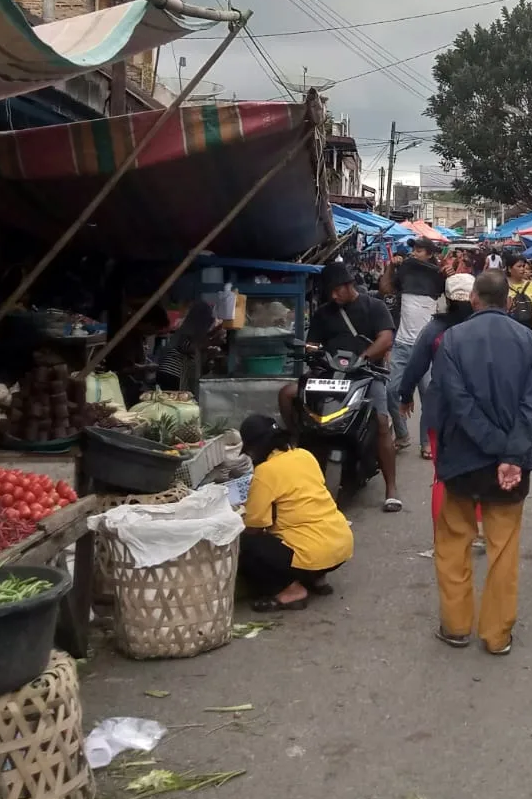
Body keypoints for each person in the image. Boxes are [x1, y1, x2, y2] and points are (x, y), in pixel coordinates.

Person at [427, 271, 532, 654]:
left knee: (454, 542)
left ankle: (457, 626)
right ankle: (496, 636)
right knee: (503, 550)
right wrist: (509, 454)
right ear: (508, 302)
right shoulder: (529, 341)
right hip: (511, 466)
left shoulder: (452, 340)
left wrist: (489, 445)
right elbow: (531, 409)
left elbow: (456, 404)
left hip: (462, 460)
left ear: (474, 299)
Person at [284, 261, 403, 512]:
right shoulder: (323, 313)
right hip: (329, 373)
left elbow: (385, 337)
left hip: (367, 374)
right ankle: (296, 444)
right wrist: (311, 352)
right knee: (288, 395)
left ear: (349, 285)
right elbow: (312, 343)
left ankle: (391, 488)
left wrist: (366, 357)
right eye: (330, 291)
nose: (334, 295)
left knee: (381, 421)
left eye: (337, 289)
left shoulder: (375, 306)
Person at [237, 414, 354, 611]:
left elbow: (254, 525)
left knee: (246, 544)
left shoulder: (265, 472)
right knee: (299, 528)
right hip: (341, 545)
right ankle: (317, 578)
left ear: (256, 447)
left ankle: (290, 591)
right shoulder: (304, 455)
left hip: (311, 552)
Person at [396, 272, 477, 534]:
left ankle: (444, 532)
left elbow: (415, 365)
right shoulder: (482, 329)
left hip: (440, 411)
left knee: (443, 474)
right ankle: (474, 529)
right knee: (476, 470)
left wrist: (405, 396)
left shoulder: (435, 329)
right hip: (479, 411)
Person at [380, 240, 446, 457]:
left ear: (429, 254)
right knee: (390, 391)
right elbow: (386, 289)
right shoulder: (405, 270)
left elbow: (454, 296)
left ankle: (426, 442)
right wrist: (391, 266)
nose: (413, 253)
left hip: (425, 346)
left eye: (418, 250)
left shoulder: (438, 275)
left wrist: (449, 273)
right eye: (413, 250)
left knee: (428, 395)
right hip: (401, 345)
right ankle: (402, 434)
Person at [155, 300, 220, 392]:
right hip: (171, 374)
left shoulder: (194, 336)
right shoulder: (186, 335)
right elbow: (190, 348)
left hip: (174, 375)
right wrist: (211, 343)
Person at [506, 255, 532, 339]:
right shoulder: (503, 286)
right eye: (519, 266)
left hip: (529, 331)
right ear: (509, 269)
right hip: (509, 331)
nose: (522, 269)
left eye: (523, 266)